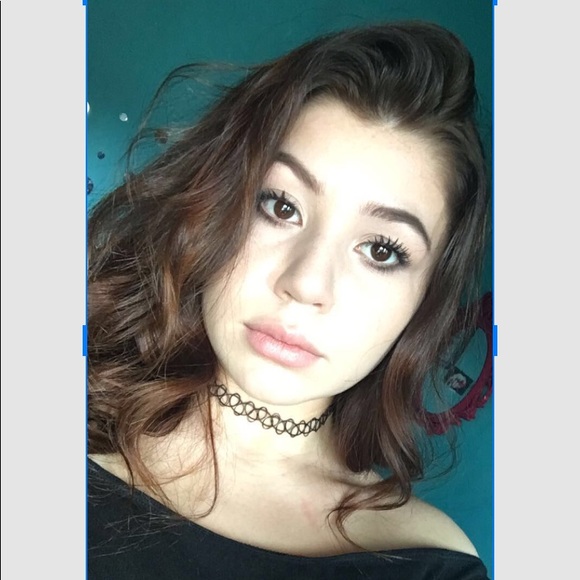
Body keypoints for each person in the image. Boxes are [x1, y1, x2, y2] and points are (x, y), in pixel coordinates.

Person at [87, 20, 491, 579]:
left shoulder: (429, 563)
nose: (306, 284)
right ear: (215, 206)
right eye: (280, 206)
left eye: (381, 250)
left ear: (425, 300)